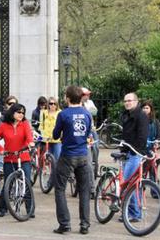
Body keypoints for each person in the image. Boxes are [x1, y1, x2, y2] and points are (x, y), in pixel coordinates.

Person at [52, 85, 92, 235]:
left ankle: (65, 224)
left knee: (60, 189)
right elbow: (87, 132)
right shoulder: (87, 114)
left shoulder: (63, 114)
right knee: (84, 190)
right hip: (83, 155)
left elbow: (56, 135)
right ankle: (85, 225)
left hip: (68, 155)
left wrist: (63, 135)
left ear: (67, 98)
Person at [0, 103, 35, 217]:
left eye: (23, 113)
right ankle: (3, 208)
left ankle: (30, 210)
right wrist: (0, 149)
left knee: (27, 183)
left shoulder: (25, 124)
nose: (21, 114)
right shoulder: (4, 126)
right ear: (12, 113)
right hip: (9, 158)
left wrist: (30, 143)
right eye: (19, 112)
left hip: (23, 157)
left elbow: (29, 135)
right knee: (8, 183)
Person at [119, 92, 149, 223]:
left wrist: (135, 149)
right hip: (126, 151)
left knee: (128, 183)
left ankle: (134, 214)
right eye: (125, 101)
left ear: (136, 102)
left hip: (135, 153)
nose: (127, 103)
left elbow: (142, 136)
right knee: (128, 183)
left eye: (129, 100)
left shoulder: (141, 116)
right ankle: (131, 212)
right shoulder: (126, 114)